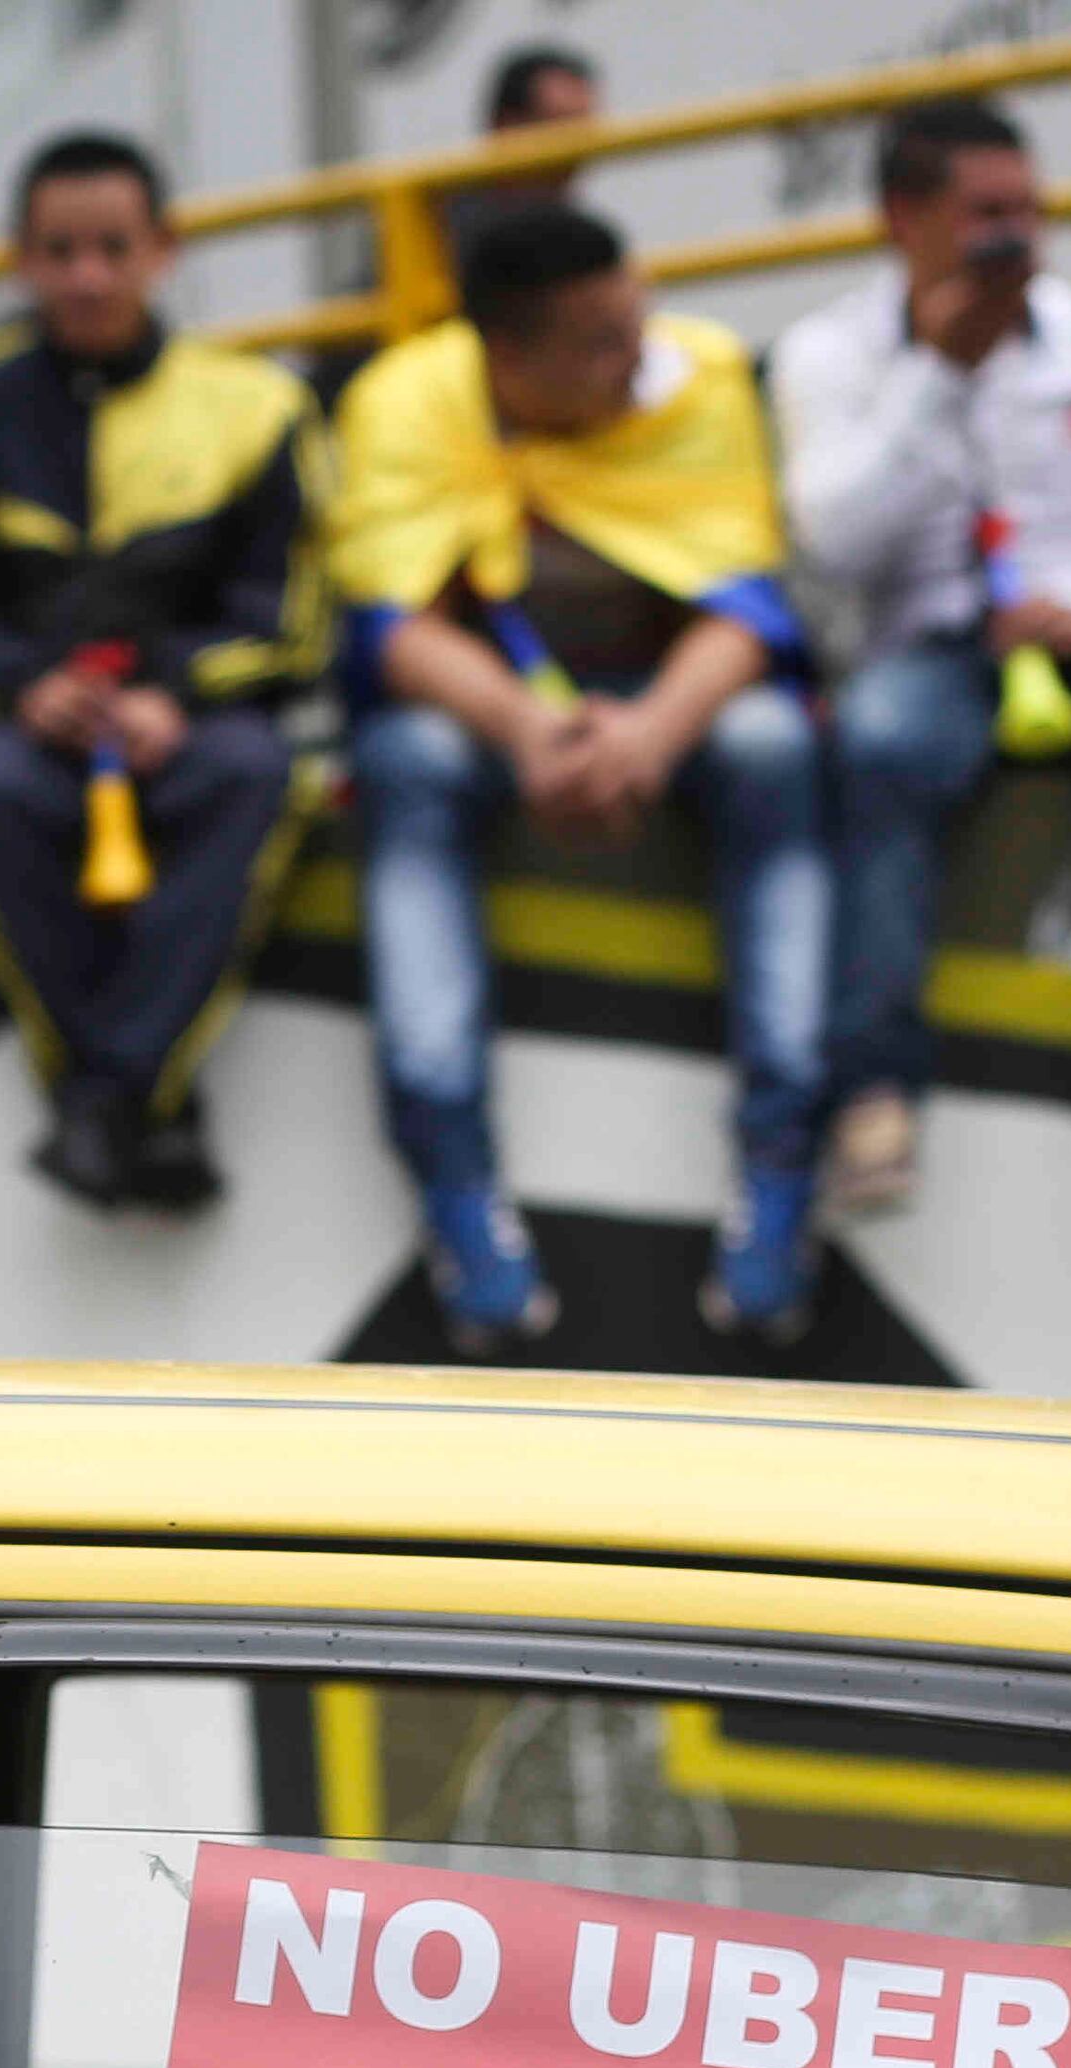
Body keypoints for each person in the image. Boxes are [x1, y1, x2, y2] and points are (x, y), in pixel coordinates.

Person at [333, 201, 832, 1345]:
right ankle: (454, 1181)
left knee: (771, 743)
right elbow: (387, 628)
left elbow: (748, 609)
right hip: (496, 721)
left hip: (667, 715)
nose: (638, 352)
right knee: (403, 758)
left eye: (636, 316)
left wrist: (649, 735)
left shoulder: (696, 374)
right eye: (600, 341)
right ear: (504, 358)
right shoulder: (403, 402)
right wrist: (522, 728)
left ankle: (780, 1159)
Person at [774, 95, 1071, 1216]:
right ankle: (872, 1100)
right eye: (984, 214)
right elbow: (832, 545)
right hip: (930, 645)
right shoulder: (829, 353)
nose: (1015, 239)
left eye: (1028, 211)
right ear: (903, 216)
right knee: (877, 746)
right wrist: (938, 374)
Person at [0, 131, 331, 1212]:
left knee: (254, 773)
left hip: (192, 727)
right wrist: (24, 685)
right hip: (20, 731)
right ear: (19, 259)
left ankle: (103, 1097)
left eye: (111, 247)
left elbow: (287, 613)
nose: (86, 274)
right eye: (59, 249)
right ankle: (148, 1103)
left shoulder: (257, 405)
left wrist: (168, 693)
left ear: (162, 251)